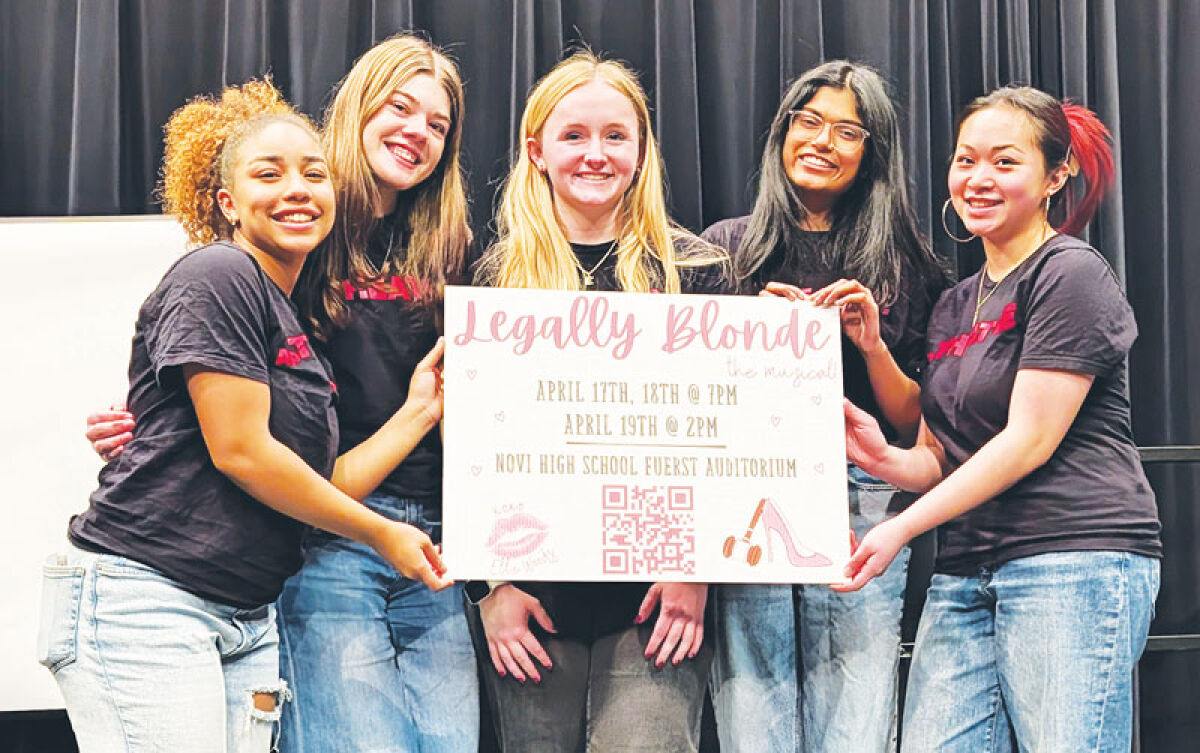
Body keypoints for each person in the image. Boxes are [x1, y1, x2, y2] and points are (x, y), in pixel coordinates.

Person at [82, 36, 478, 752]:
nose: (417, 131)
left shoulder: (454, 245)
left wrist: (425, 413)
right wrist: (157, 415)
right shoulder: (271, 250)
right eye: (399, 107)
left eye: (438, 123)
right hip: (310, 545)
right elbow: (234, 426)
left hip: (420, 543)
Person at [840, 86, 1161, 752]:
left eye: (1005, 162)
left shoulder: (1071, 273)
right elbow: (935, 455)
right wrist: (880, 457)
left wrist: (897, 526)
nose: (978, 179)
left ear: (1055, 175)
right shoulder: (956, 303)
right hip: (966, 569)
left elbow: (1027, 441)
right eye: (965, 160)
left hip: (1071, 558)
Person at [468, 50, 730, 752]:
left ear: (641, 152)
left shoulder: (697, 272)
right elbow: (461, 445)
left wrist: (694, 565)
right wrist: (488, 588)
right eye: (574, 135)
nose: (595, 153)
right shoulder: (490, 283)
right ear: (538, 151)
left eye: (616, 135)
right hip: (529, 598)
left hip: (655, 596)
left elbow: (725, 439)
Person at [701, 61, 948, 752]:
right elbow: (689, 394)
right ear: (783, 131)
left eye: (847, 131)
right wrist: (743, 327)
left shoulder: (905, 260)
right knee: (754, 694)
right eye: (808, 122)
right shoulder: (723, 249)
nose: (822, 141)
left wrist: (871, 345)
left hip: (864, 494)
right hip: (747, 492)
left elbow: (913, 425)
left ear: (872, 153)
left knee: (858, 702)